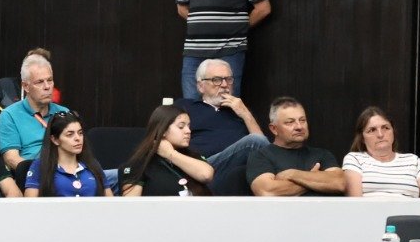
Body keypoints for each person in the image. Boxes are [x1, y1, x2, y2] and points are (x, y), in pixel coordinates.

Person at [175, 58, 271, 195]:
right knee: (253, 142)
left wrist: (245, 113)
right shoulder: (186, 106)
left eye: (228, 79)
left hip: (236, 171)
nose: (225, 85)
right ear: (201, 86)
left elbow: (264, 150)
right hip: (199, 166)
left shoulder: (240, 111)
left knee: (257, 145)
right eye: (217, 80)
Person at [247, 97, 346, 197]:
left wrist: (291, 174)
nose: (299, 127)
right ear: (274, 129)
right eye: (290, 122)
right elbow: (268, 191)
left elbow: (340, 183)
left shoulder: (322, 154)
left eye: (302, 120)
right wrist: (315, 178)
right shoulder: (261, 156)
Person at [344, 107, 420, 198]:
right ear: (362, 138)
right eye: (372, 130)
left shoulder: (413, 161)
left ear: (393, 131)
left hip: (408, 210)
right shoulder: (354, 159)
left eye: (385, 128)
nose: (380, 134)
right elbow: (355, 203)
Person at [118, 105, 214, 197]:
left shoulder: (192, 156)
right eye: (181, 127)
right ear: (163, 130)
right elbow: (132, 205)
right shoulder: (139, 164)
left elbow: (206, 175)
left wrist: (170, 154)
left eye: (189, 126)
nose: (188, 131)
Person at [0, 55, 68, 170]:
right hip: (33, 174)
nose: (47, 87)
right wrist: (41, 173)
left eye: (50, 80)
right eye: (40, 82)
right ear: (26, 86)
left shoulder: (64, 112)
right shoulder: (9, 115)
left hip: (67, 172)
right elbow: (11, 159)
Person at [25, 111, 112, 198]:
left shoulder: (93, 164)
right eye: (70, 134)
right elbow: (30, 204)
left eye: (80, 133)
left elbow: (110, 202)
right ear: (55, 139)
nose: (78, 138)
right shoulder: (40, 166)